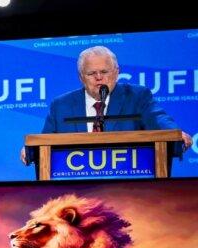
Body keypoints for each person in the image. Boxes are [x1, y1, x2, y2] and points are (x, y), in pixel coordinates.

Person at [21, 46, 192, 165]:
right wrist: (31, 151)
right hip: (76, 188)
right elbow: (45, 141)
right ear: (81, 77)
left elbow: (158, 118)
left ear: (116, 72)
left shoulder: (137, 97)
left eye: (104, 72)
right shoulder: (61, 105)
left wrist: (174, 133)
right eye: (91, 73)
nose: (99, 78)